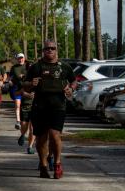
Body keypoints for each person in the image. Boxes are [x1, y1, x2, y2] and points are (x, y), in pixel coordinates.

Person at [23, 40, 76, 179]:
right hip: (39, 106)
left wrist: (70, 89)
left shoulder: (64, 67)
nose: (50, 51)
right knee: (41, 139)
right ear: (43, 50)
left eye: (52, 48)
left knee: (55, 134)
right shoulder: (36, 67)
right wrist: (30, 83)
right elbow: (24, 85)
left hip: (58, 106)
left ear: (56, 50)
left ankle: (58, 164)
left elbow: (74, 81)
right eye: (47, 48)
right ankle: (43, 165)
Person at [10, 53, 27, 129]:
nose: (20, 59)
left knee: (26, 105)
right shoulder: (14, 68)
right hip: (17, 88)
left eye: (22, 58)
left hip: (27, 89)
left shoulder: (28, 66)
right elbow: (11, 77)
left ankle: (26, 120)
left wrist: (23, 76)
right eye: (19, 58)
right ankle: (18, 122)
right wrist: (10, 81)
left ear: (24, 58)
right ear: (17, 59)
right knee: (17, 105)